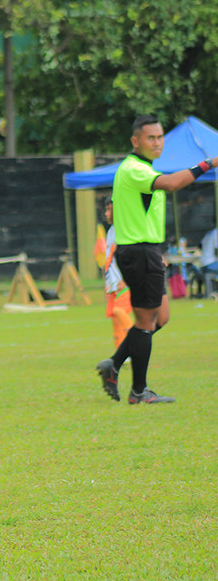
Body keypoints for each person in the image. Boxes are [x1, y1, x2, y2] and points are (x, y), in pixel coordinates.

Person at [96, 115, 217, 404]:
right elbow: (174, 184)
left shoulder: (146, 168)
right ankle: (138, 390)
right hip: (137, 253)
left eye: (160, 137)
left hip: (147, 251)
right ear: (135, 141)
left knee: (159, 317)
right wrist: (210, 163)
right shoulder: (134, 169)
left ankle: (113, 365)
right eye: (151, 138)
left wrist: (157, 253)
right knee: (146, 321)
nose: (157, 142)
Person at [102, 200, 134, 349]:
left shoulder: (125, 229)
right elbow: (109, 260)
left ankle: (137, 345)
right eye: (106, 210)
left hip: (126, 281)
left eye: (110, 210)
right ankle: (122, 356)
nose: (106, 214)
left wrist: (126, 279)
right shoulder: (111, 231)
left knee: (119, 311)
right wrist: (107, 285)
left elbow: (132, 255)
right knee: (114, 318)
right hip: (114, 283)